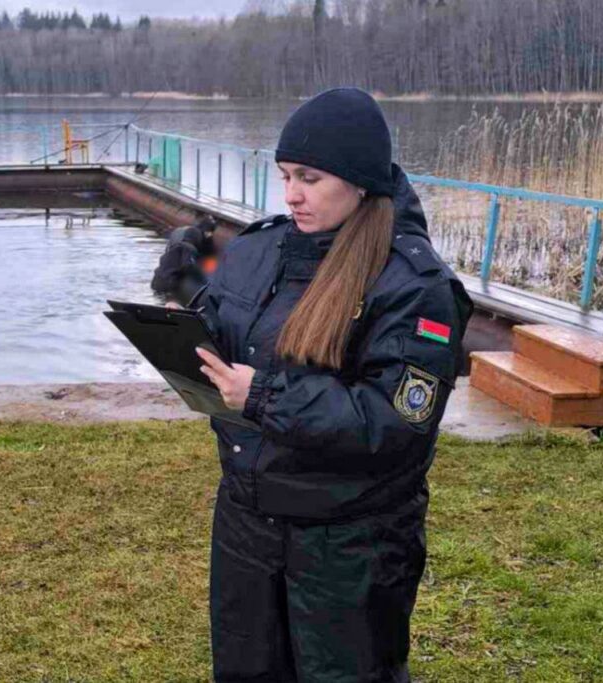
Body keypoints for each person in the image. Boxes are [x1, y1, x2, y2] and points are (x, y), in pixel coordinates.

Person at [176, 88, 474, 681]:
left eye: (309, 178)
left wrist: (260, 395)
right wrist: (178, 333)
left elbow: (394, 423)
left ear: (359, 180)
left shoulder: (414, 286)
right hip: (246, 520)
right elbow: (221, 328)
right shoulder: (259, 250)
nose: (291, 194)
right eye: (286, 175)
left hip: (350, 541)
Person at [150, 215, 220, 307]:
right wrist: (203, 279)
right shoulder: (189, 248)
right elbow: (188, 266)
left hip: (156, 282)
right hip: (169, 285)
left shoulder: (174, 247)